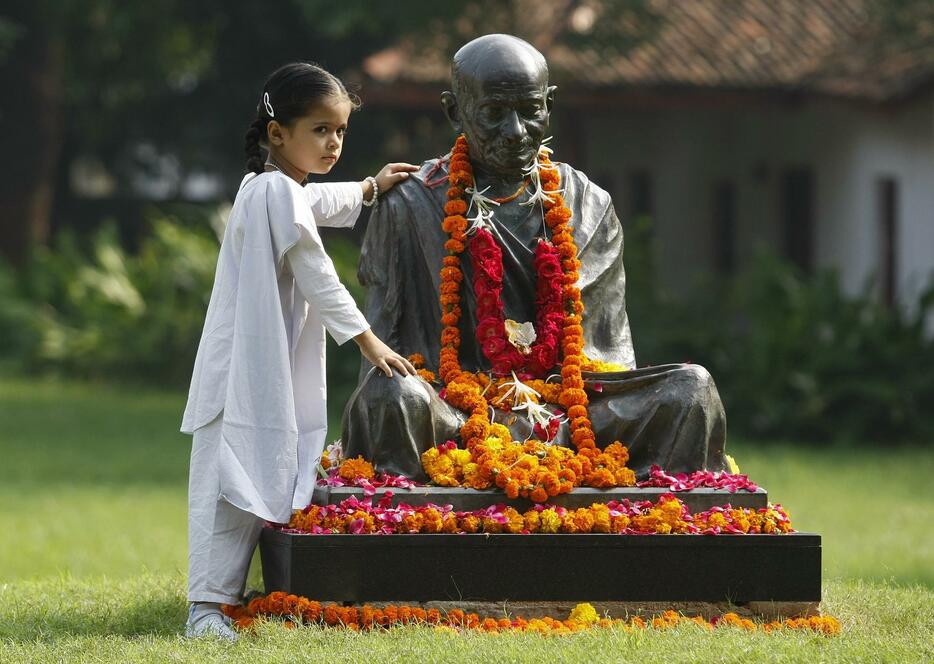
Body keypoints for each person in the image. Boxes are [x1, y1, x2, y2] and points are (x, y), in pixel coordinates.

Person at [342, 34, 728, 481]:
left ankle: (650, 529)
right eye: (493, 113)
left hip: (572, 412)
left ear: (550, 104)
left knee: (690, 390)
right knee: (393, 396)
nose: (515, 131)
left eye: (530, 111)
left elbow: (607, 353)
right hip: (455, 412)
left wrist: (547, 411)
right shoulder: (411, 202)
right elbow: (386, 352)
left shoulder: (587, 203)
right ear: (454, 111)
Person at [180, 62, 417, 640]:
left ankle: (222, 602)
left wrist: (367, 188)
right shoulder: (272, 191)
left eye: (340, 131)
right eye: (320, 130)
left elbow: (316, 206)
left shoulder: (273, 188)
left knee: (256, 466)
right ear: (276, 132)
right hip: (244, 367)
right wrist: (367, 340)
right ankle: (205, 609)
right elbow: (316, 272)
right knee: (230, 478)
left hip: (264, 362)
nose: (334, 142)